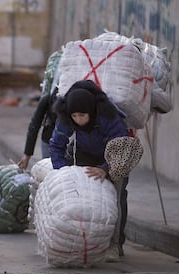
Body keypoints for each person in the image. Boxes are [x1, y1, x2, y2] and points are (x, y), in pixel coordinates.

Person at [49, 79, 130, 262]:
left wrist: (106, 170)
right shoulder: (66, 115)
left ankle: (114, 245)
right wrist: (62, 172)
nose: (78, 120)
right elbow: (56, 146)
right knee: (84, 197)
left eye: (83, 116)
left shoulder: (107, 116)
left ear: (91, 112)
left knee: (116, 197)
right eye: (75, 116)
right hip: (84, 153)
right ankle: (84, 243)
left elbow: (123, 145)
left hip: (114, 155)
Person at [17, 89, 57, 170]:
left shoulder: (75, 99)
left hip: (70, 143)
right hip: (48, 139)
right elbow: (34, 125)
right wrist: (27, 155)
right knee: (48, 171)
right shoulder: (48, 99)